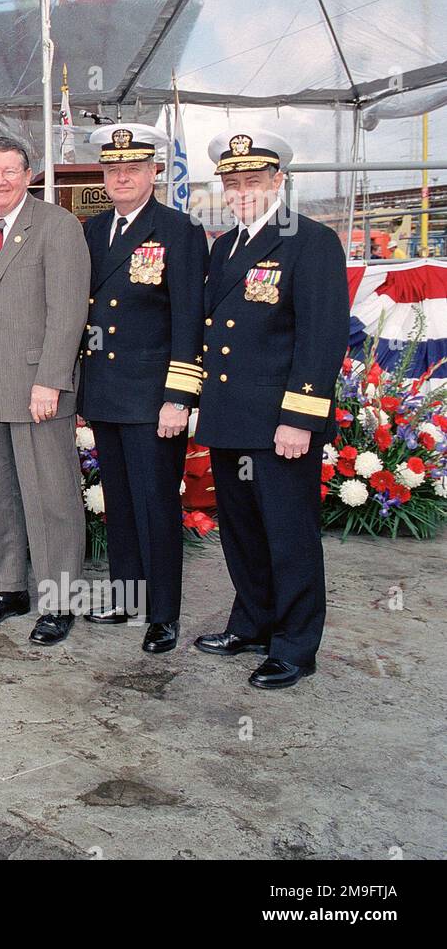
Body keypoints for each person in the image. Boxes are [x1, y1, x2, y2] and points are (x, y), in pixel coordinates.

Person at [194, 130, 348, 689]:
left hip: (279, 421)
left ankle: (295, 646)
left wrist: (300, 418)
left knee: (289, 535)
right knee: (242, 532)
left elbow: (321, 337)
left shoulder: (310, 242)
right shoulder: (223, 247)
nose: (241, 192)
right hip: (233, 416)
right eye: (231, 184)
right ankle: (253, 623)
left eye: (252, 181)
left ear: (278, 181)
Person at [0, 135, 91, 645]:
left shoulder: (57, 226)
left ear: (29, 175)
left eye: (10, 170)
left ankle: (61, 601)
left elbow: (69, 312)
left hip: (37, 389)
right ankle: (9, 587)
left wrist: (50, 380)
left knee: (50, 498)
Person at [78, 124, 208, 653]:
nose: (122, 177)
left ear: (155, 172)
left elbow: (188, 319)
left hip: (153, 397)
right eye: (112, 170)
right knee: (121, 503)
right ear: (103, 176)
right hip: (106, 392)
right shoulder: (91, 231)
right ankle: (126, 596)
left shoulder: (178, 230)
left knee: (156, 503)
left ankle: (163, 613)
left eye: (133, 168)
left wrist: (178, 397)